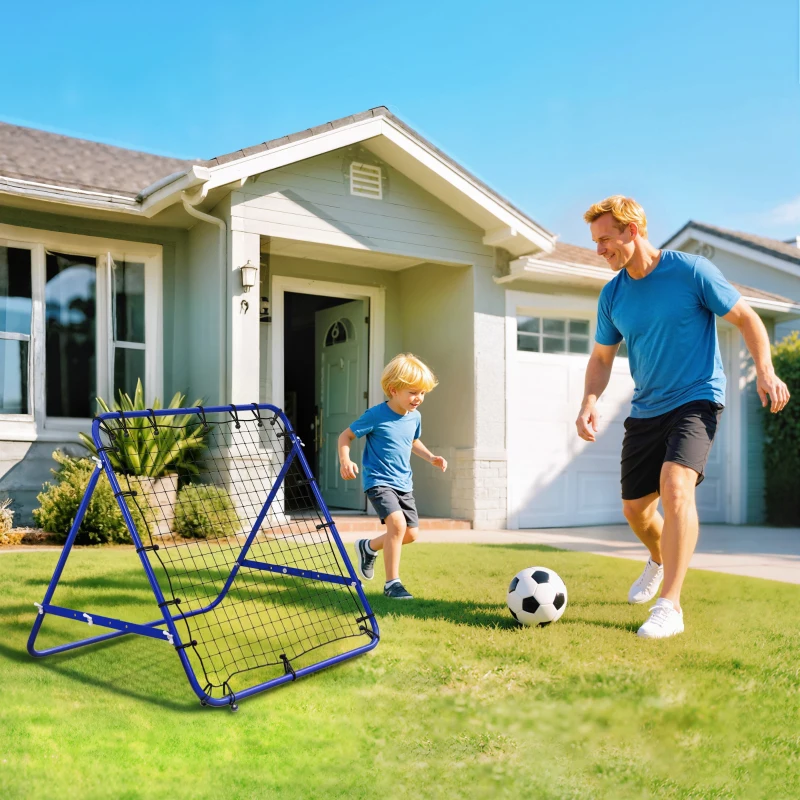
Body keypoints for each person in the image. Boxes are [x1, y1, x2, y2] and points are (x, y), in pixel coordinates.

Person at [577, 196, 790, 638]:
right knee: (635, 510)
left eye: (604, 240)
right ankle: (658, 558)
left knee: (676, 487)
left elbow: (747, 318)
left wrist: (766, 372)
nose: (599, 250)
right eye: (595, 242)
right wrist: (589, 401)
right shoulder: (613, 294)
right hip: (647, 407)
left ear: (632, 230)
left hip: (697, 398)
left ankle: (669, 606)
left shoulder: (690, 271)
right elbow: (601, 357)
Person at [338, 353, 447, 600]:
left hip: (403, 483)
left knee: (410, 534)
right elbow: (345, 436)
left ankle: (368, 547)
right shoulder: (375, 415)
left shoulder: (415, 416)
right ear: (393, 389)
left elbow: (413, 441)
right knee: (396, 525)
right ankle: (392, 584)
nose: (418, 398)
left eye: (422, 393)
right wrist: (346, 460)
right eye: (412, 392)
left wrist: (430, 457)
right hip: (378, 481)